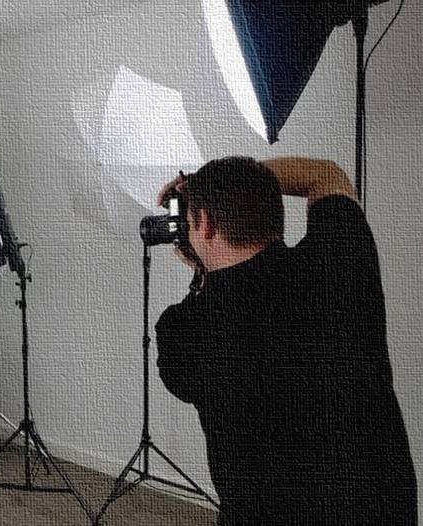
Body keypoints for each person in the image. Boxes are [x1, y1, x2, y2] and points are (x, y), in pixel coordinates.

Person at [154, 157, 417, 524]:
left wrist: (201, 261)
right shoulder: (338, 259)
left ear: (206, 223)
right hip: (382, 510)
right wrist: (222, 186)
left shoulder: (182, 329)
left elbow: (183, 380)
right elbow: (326, 175)